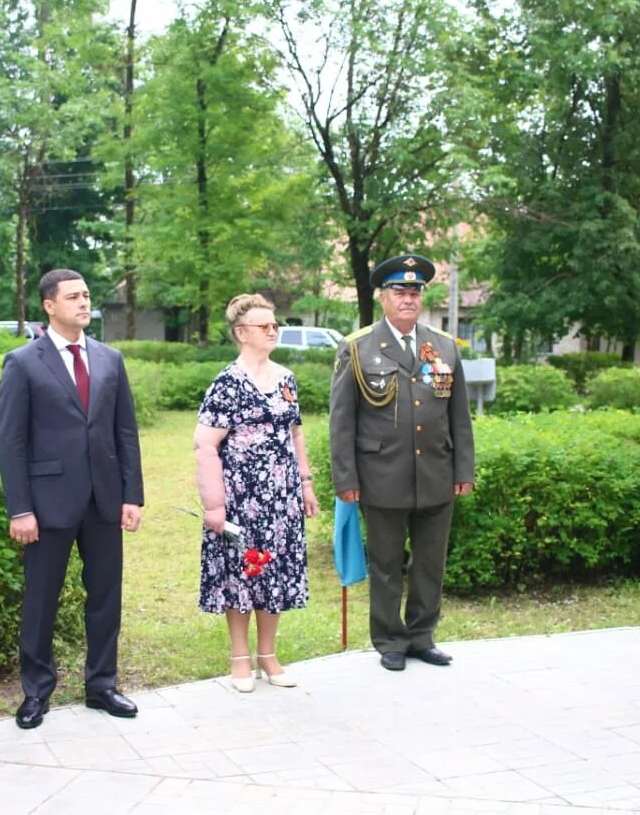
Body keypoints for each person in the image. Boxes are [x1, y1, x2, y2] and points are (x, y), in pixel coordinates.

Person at [0, 268, 144, 729]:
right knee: (41, 600)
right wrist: (20, 508)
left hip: (104, 501)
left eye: (86, 296)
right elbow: (10, 440)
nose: (84, 303)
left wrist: (131, 495)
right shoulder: (22, 362)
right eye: (74, 297)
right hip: (47, 504)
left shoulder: (109, 359)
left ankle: (102, 686)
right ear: (49, 306)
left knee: (105, 597)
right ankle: (36, 692)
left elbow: (124, 431)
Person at [329, 254, 475, 671]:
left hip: (436, 474)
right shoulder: (357, 348)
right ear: (383, 298)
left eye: (414, 292)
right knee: (387, 564)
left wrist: (463, 469)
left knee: (431, 562)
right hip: (381, 476)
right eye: (400, 292)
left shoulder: (443, 346)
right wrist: (346, 478)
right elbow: (342, 420)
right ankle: (390, 640)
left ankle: (421, 635)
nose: (408, 299)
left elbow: (459, 416)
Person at [193, 294, 319, 692]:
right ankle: (239, 658)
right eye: (264, 326)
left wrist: (305, 483)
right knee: (241, 573)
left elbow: (295, 433)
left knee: (275, 573)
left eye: (274, 324)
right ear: (241, 333)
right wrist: (214, 504)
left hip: (281, 498)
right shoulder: (227, 383)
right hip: (241, 497)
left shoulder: (285, 379)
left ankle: (268, 655)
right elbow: (205, 444)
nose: (272, 330)